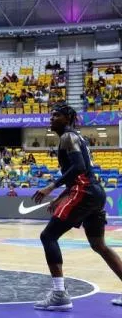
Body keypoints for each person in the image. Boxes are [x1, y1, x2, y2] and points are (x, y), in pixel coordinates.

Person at [32, 104, 122, 311]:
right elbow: (80, 173)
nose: (51, 118)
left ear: (68, 118)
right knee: (99, 245)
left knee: (48, 236)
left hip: (85, 192)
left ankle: (59, 294)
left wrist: (51, 187)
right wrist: (60, 197)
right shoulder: (76, 137)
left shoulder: (67, 137)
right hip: (95, 192)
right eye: (51, 114)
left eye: (56, 115)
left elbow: (79, 168)